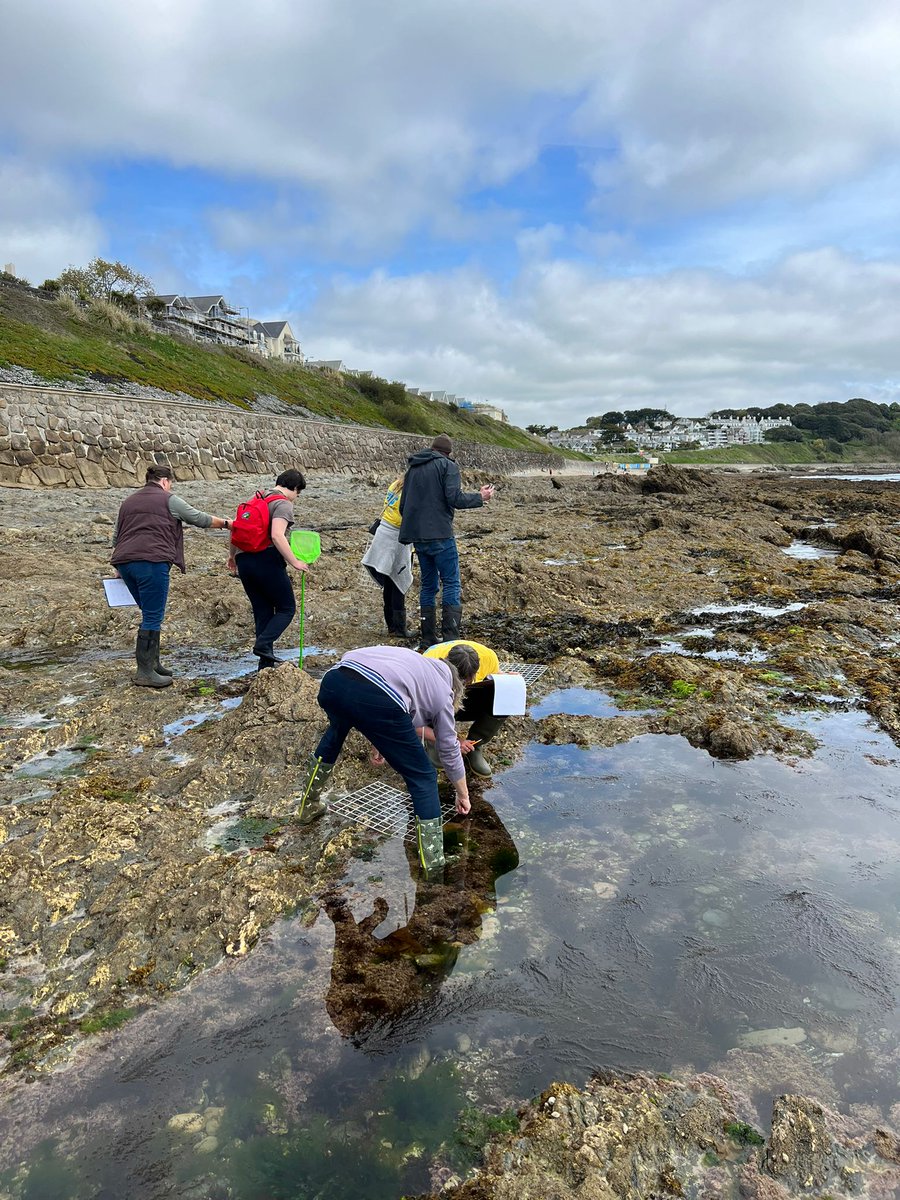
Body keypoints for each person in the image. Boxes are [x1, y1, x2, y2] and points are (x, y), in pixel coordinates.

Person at [295, 644, 478, 878]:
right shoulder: (444, 692)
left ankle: (306, 808)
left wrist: (379, 739)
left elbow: (384, 693)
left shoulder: (415, 661)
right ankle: (433, 865)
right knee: (423, 776)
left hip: (334, 682)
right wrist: (462, 794)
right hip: (375, 698)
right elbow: (449, 748)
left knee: (335, 734)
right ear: (460, 684)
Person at [111, 464, 232, 688]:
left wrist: (118, 564)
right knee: (152, 615)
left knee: (149, 612)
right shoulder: (168, 499)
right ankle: (145, 672)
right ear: (165, 481)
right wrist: (227, 524)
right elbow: (198, 518)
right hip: (152, 562)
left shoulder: (128, 501)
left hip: (125, 562)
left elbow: (118, 533)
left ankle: (154, 664)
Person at [398, 434, 494, 649]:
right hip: (440, 534)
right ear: (449, 453)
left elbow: (403, 506)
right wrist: (481, 497)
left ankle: (428, 638)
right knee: (451, 582)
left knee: (428, 585)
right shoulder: (448, 466)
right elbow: (455, 498)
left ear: (432, 449)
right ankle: (450, 638)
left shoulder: (413, 468)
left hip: (419, 537)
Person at [228, 469, 308, 670]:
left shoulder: (255, 499)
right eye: (298, 493)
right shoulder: (283, 504)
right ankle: (263, 645)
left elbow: (237, 529)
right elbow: (277, 535)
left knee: (262, 610)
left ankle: (265, 663)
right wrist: (294, 562)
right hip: (266, 560)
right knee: (286, 608)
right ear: (295, 488)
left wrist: (232, 557)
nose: (296, 498)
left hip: (244, 560)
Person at [423, 639, 507, 777]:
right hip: (440, 699)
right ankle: (435, 743)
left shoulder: (488, 657)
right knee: (432, 701)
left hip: (469, 699)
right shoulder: (429, 662)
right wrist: (453, 740)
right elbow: (417, 711)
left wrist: (507, 680)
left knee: (506, 691)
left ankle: (475, 746)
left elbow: (496, 676)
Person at [361, 474, 412, 637]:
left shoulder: (396, 484)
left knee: (389, 582)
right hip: (397, 537)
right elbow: (407, 514)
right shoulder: (410, 490)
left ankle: (391, 626)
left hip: (384, 532)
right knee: (398, 581)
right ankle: (400, 628)